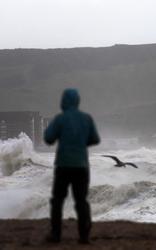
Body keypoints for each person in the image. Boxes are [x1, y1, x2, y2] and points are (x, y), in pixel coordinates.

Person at [44, 88, 100, 244]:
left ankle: (56, 235)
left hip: (63, 166)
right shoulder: (86, 119)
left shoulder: (60, 119)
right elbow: (95, 139)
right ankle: (84, 236)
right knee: (81, 200)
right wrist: (82, 143)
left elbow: (48, 138)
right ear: (77, 101)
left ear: (63, 101)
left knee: (58, 200)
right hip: (81, 166)